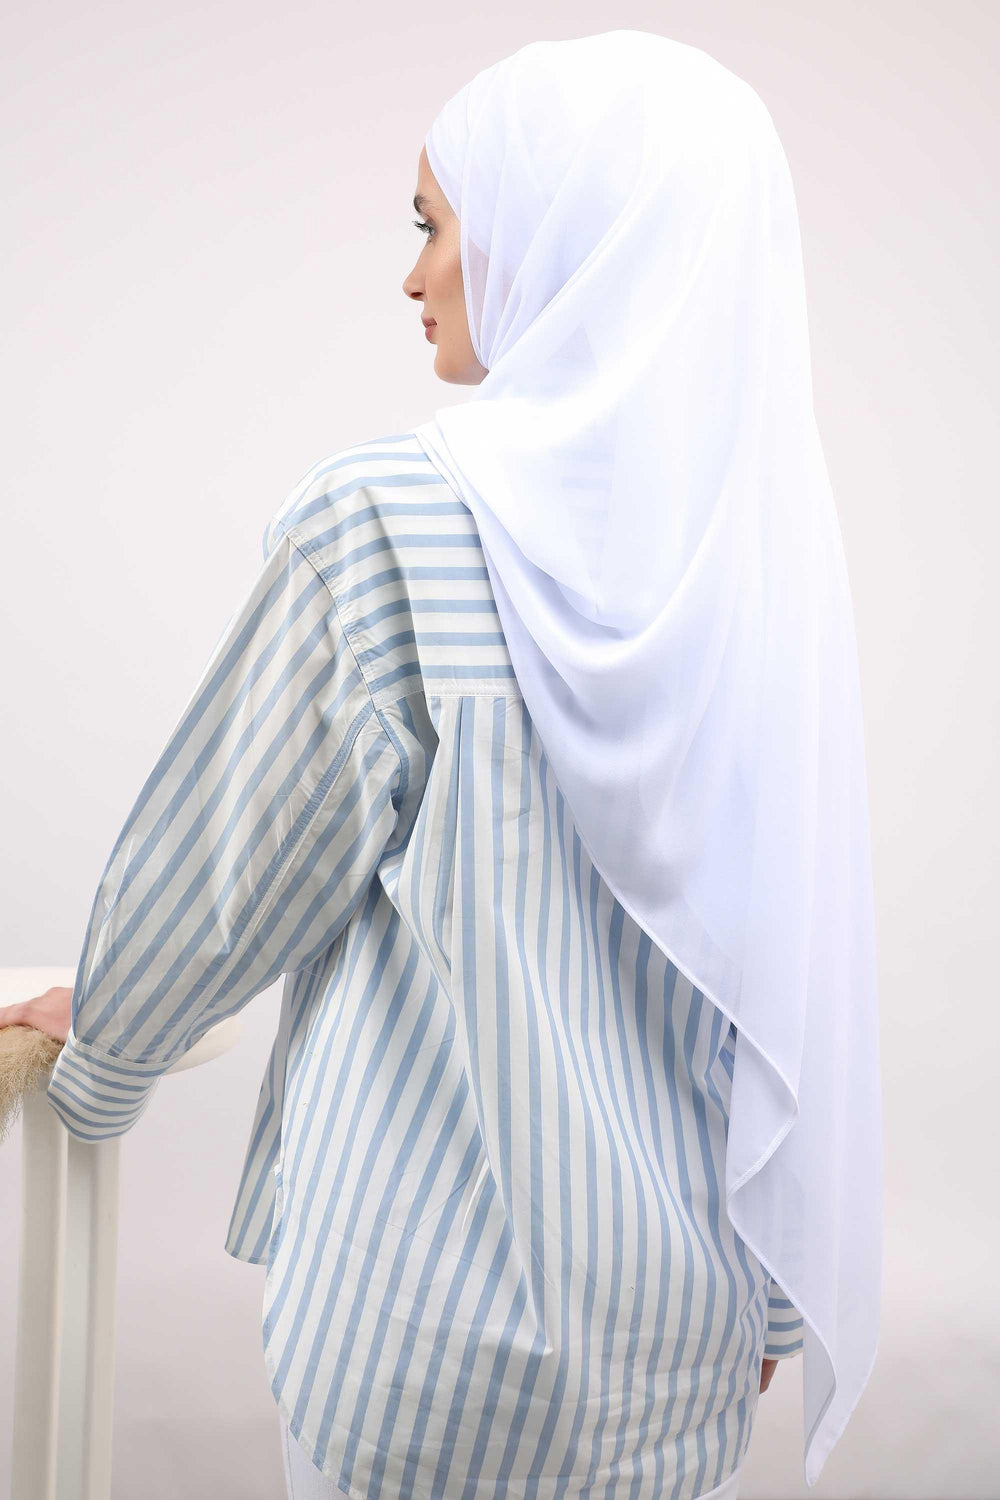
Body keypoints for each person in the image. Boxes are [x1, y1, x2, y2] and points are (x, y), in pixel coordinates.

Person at [2, 29, 880, 1500]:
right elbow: (787, 966)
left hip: (422, 1340)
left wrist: (104, 1050)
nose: (414, 277)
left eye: (434, 224)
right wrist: (778, 1292)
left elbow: (229, 870)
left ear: (558, 238)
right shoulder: (752, 571)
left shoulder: (389, 524)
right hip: (685, 1338)